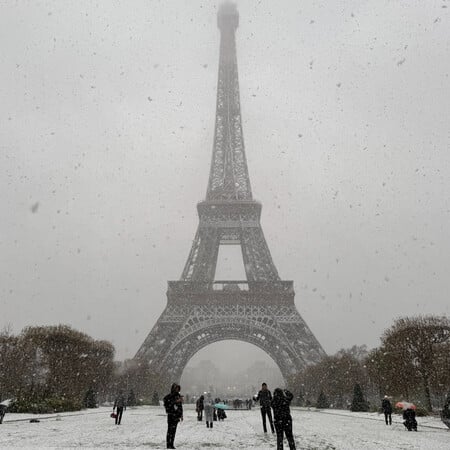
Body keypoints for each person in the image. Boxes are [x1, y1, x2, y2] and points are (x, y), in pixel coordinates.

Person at [164, 383, 183, 449]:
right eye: (176, 388)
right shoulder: (169, 396)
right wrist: (175, 401)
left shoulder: (178, 396)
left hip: (176, 416)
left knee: (173, 431)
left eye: (178, 388)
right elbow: (167, 403)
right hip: (171, 415)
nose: (177, 390)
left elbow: (180, 406)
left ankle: (171, 444)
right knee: (170, 430)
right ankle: (168, 444)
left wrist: (181, 415)